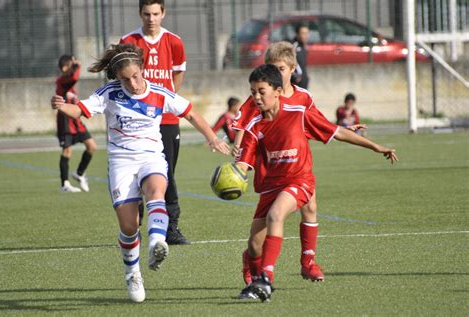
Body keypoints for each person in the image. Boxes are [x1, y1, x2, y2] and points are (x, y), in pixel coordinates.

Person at [50, 43, 229, 303]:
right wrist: (63, 107)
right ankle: (133, 273)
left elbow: (190, 113)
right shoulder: (109, 93)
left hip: (151, 158)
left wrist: (212, 137)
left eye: (136, 76)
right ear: (117, 78)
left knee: (156, 191)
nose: (133, 84)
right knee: (129, 226)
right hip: (121, 163)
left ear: (143, 70)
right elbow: (81, 110)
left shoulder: (159, 93)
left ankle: (157, 241)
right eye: (126, 79)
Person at [234, 64, 397, 302]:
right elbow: (242, 164)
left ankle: (265, 279)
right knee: (254, 246)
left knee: (276, 215)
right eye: (252, 92)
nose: (256, 97)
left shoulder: (299, 113)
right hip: (271, 186)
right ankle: (258, 283)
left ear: (278, 91)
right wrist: (231, 178)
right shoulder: (254, 128)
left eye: (261, 91)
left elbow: (337, 132)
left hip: (299, 180)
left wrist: (374, 146)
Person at [120, 0, 189, 245]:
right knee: (134, 170)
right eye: (147, 14)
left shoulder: (174, 41)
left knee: (166, 172)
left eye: (156, 13)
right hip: (137, 118)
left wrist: (165, 101)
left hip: (167, 119)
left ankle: (171, 228)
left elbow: (178, 73)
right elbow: (122, 76)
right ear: (140, 14)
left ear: (163, 13)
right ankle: (134, 225)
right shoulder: (129, 41)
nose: (151, 18)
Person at [55, 54, 97, 193]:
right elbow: (74, 77)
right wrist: (78, 65)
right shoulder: (62, 81)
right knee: (67, 150)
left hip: (76, 120)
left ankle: (79, 173)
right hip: (65, 120)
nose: (73, 68)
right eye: (71, 66)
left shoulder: (70, 84)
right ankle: (64, 184)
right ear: (65, 67)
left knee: (91, 146)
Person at [291, 23, 310, 89]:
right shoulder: (293, 47)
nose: (306, 36)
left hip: (304, 83)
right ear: (297, 34)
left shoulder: (303, 47)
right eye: (303, 33)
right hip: (297, 84)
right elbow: (288, 63)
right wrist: (294, 77)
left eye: (307, 33)